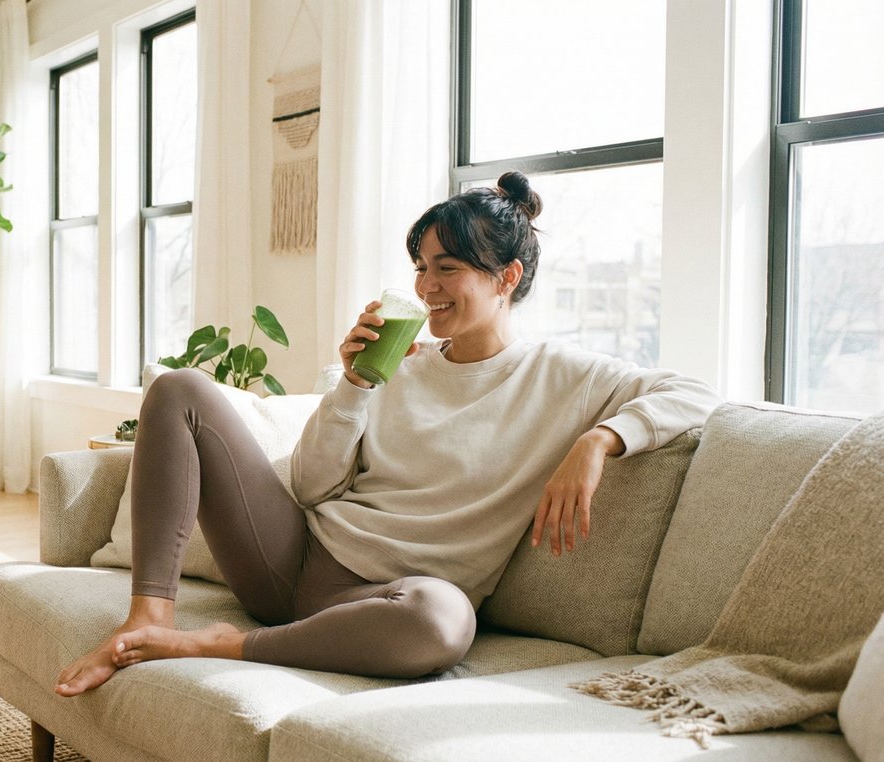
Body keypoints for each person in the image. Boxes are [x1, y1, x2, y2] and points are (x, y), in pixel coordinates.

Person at [55, 171, 720, 696]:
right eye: (420, 267)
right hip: (289, 563)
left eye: (447, 268)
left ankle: (219, 644)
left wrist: (596, 442)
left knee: (443, 620)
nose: (426, 287)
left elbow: (694, 392)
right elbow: (311, 486)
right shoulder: (402, 365)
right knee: (179, 389)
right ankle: (150, 617)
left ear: (507, 277)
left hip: (386, 603)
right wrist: (355, 384)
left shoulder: (565, 376)